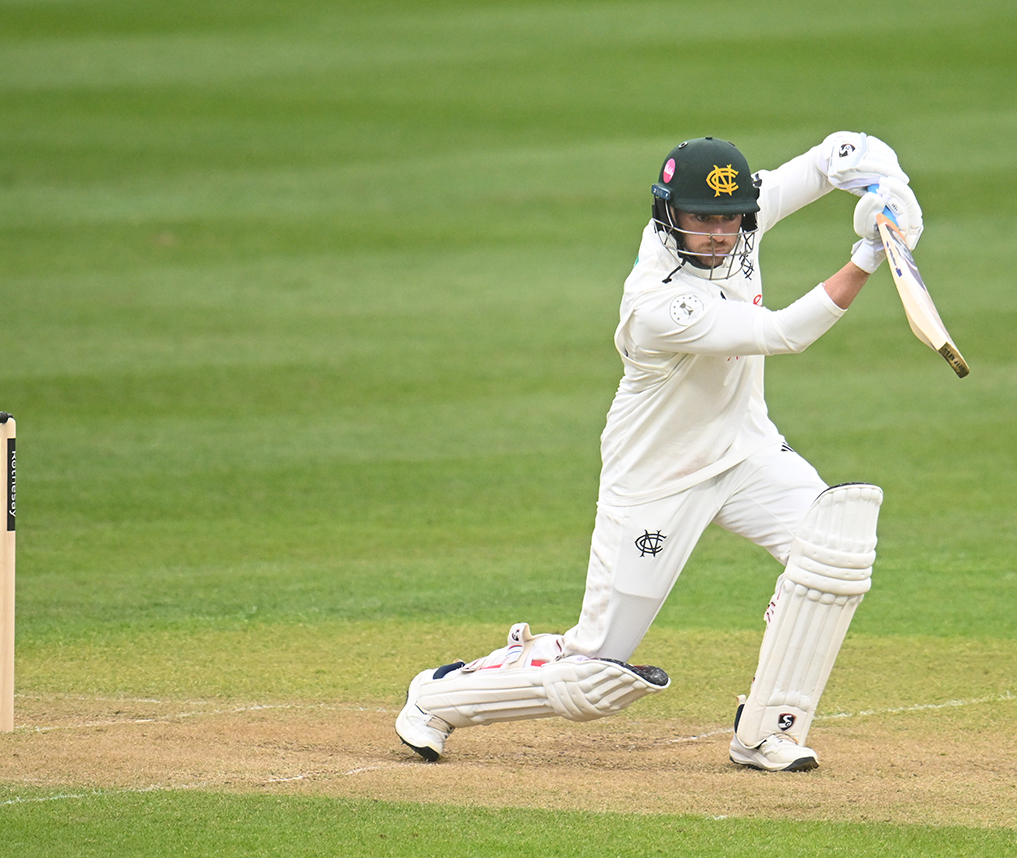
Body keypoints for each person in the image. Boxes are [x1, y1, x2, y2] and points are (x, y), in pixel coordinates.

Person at [395, 133, 923, 771]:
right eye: (702, 217)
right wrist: (869, 252)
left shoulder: (739, 226)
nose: (720, 233)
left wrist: (890, 192)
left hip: (747, 451)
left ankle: (767, 730)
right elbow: (784, 333)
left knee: (832, 549)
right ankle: (439, 695)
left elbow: (840, 152)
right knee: (596, 679)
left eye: (731, 218)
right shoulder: (658, 302)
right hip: (658, 477)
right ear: (669, 213)